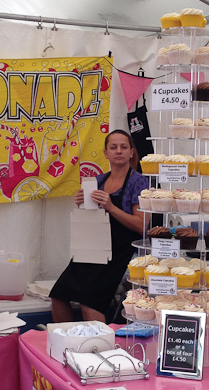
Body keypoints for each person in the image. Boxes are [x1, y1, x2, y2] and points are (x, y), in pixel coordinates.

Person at [50, 129, 150, 323]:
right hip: (92, 247)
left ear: (131, 152)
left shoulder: (139, 182)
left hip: (120, 253)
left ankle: (100, 348)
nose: (118, 151)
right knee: (59, 294)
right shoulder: (97, 181)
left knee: (90, 302)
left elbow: (142, 226)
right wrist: (81, 203)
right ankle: (67, 343)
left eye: (123, 147)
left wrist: (111, 207)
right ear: (105, 153)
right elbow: (91, 220)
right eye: (113, 147)